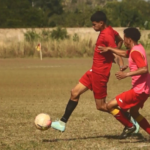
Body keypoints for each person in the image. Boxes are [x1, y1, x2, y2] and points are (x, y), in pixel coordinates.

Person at [51, 11, 139, 133]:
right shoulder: (109, 30)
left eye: (94, 24)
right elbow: (118, 39)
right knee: (74, 92)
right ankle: (62, 123)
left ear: (101, 23)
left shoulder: (107, 35)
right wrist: (115, 52)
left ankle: (129, 120)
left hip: (100, 74)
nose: (93, 27)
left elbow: (114, 51)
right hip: (93, 71)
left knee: (102, 106)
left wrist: (120, 63)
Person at [98, 27, 150, 139]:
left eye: (125, 37)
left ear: (129, 39)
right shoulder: (137, 47)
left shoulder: (135, 52)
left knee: (110, 105)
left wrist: (126, 74)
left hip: (138, 90)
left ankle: (129, 126)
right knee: (134, 113)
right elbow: (125, 53)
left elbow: (144, 69)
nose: (123, 40)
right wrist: (110, 49)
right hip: (145, 89)